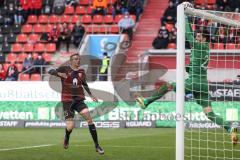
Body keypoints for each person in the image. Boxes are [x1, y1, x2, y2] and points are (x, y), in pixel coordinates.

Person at [135, 17, 238, 144]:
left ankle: (146, 102)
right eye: (197, 36)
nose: (197, 38)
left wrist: (185, 17)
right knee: (209, 113)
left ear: (204, 38)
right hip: (203, 84)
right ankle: (229, 128)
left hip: (194, 82)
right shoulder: (206, 49)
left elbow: (188, 34)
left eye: (199, 36)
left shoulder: (199, 46)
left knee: (169, 86)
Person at [48, 54, 104, 154]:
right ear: (71, 61)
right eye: (76, 59)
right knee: (70, 127)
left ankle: (97, 146)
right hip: (67, 101)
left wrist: (91, 95)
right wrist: (59, 74)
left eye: (79, 59)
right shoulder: (64, 69)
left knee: (90, 120)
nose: (78, 61)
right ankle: (67, 137)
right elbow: (50, 70)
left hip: (79, 100)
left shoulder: (81, 72)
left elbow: (84, 84)